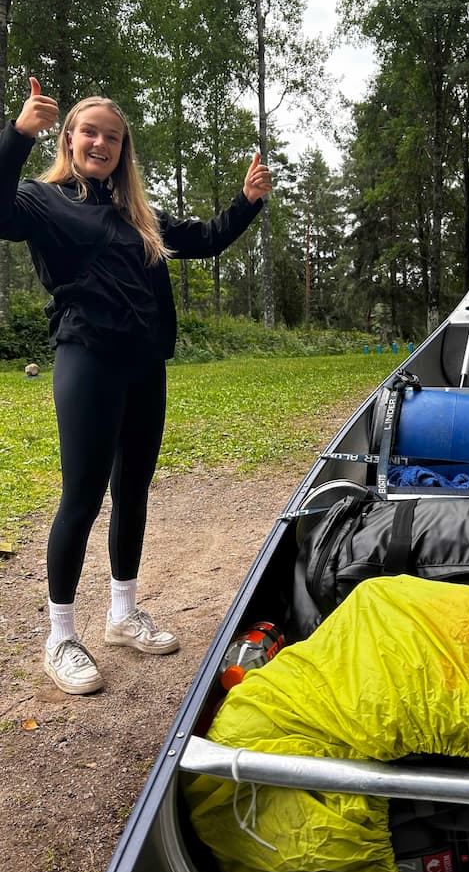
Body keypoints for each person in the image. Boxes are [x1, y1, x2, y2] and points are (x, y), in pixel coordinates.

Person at [0, 77, 273, 695]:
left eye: (113, 138)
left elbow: (203, 240)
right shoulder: (44, 201)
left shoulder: (137, 214)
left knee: (134, 491)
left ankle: (123, 616)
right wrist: (18, 135)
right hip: (86, 357)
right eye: (90, 132)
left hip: (143, 364)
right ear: (68, 139)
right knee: (83, 496)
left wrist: (247, 200)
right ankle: (61, 637)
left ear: (123, 151)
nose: (101, 142)